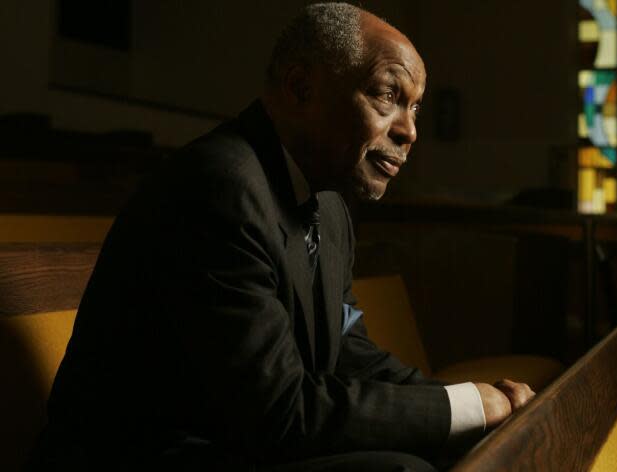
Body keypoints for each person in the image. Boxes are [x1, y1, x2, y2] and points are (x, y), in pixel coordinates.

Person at [31, 3, 534, 471]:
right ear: (300, 88)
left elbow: (346, 351)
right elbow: (279, 414)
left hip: (237, 439)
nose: (410, 131)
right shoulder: (219, 188)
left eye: (416, 108)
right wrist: (464, 406)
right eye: (388, 95)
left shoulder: (331, 204)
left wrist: (468, 404)